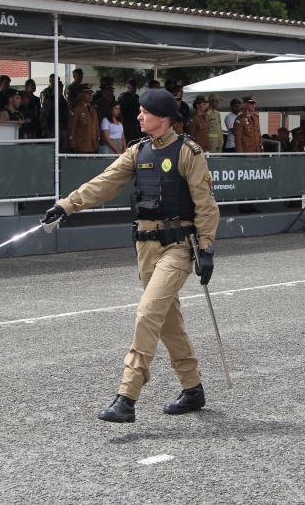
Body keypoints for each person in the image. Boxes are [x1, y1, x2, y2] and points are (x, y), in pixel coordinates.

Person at [40, 88, 220, 423]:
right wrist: (67, 205)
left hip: (178, 247)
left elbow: (206, 205)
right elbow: (105, 183)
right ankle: (193, 388)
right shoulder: (138, 151)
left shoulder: (189, 152)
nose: (138, 116)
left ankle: (127, 396)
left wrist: (206, 247)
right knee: (166, 321)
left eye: (143, 111)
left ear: (162, 117)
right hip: (145, 247)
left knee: (147, 313)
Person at [68, 84, 99, 153]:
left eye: (91, 93)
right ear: (80, 94)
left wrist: (97, 141)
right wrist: (72, 144)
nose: (90, 95)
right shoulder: (76, 108)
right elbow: (71, 127)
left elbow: (96, 127)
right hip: (81, 146)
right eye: (87, 93)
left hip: (93, 145)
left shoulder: (93, 109)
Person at [118, 79, 141, 145]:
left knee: (136, 141)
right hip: (126, 123)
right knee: (128, 142)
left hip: (135, 123)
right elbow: (121, 109)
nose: (132, 89)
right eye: (129, 87)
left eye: (133, 87)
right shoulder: (123, 96)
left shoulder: (137, 97)